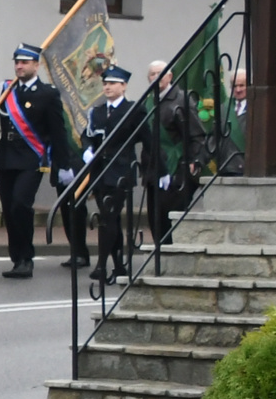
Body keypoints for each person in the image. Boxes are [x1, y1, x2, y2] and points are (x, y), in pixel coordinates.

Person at [0, 42, 75, 279]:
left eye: (24, 62)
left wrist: (64, 164)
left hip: (31, 159)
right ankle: (16, 257)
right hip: (6, 158)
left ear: (36, 66)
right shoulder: (6, 90)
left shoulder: (48, 94)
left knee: (20, 204)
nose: (19, 66)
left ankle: (26, 257)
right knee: (9, 210)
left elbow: (58, 132)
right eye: (17, 62)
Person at [79, 64, 147, 287]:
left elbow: (146, 138)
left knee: (108, 216)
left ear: (124, 86)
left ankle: (101, 264)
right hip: (99, 171)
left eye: (112, 83)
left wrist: (154, 168)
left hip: (120, 171)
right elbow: (87, 135)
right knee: (110, 218)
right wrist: (87, 149)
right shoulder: (97, 111)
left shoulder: (133, 110)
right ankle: (118, 264)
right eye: (105, 83)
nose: (107, 87)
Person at [144, 59, 203, 247]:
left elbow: (197, 134)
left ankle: (168, 253)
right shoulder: (148, 101)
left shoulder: (182, 99)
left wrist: (195, 160)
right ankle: (159, 255)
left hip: (175, 167)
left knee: (168, 214)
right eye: (152, 74)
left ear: (170, 76)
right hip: (153, 168)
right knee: (155, 217)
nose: (156, 77)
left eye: (160, 73)